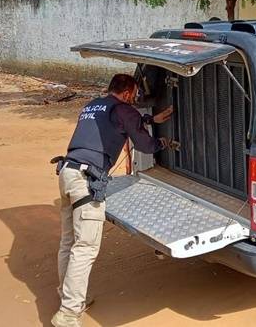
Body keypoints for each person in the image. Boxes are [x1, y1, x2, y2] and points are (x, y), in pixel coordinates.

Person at [52, 74, 173, 327]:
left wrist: (150, 119)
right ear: (128, 92)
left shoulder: (93, 105)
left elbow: (117, 124)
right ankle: (68, 314)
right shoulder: (124, 109)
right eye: (135, 94)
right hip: (87, 181)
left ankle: (68, 297)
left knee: (69, 243)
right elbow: (145, 145)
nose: (135, 98)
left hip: (67, 173)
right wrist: (163, 142)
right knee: (85, 248)